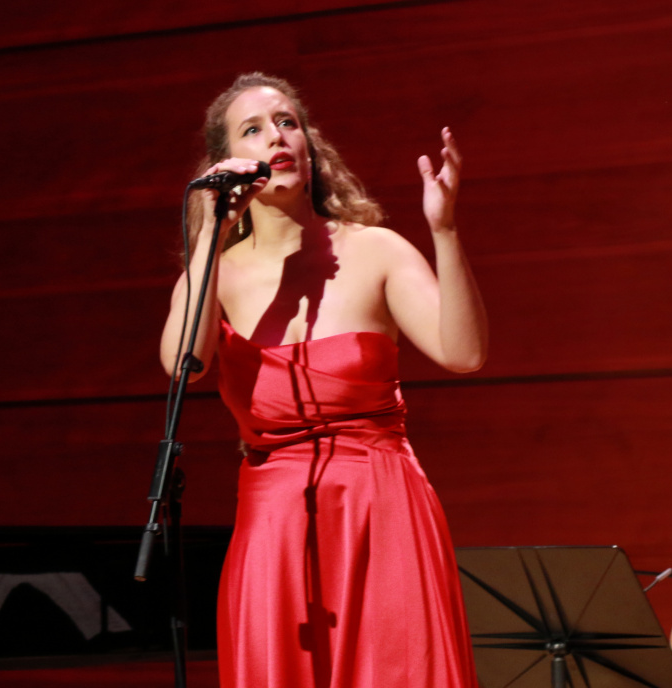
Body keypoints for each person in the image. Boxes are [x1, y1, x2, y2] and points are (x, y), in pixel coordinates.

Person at [160, 72, 487, 688]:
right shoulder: (216, 276)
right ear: (226, 162)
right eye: (253, 129)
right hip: (275, 524)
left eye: (287, 122)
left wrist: (444, 231)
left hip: (382, 506)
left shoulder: (376, 250)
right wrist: (211, 232)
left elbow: (464, 353)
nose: (276, 137)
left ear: (311, 148)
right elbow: (185, 364)